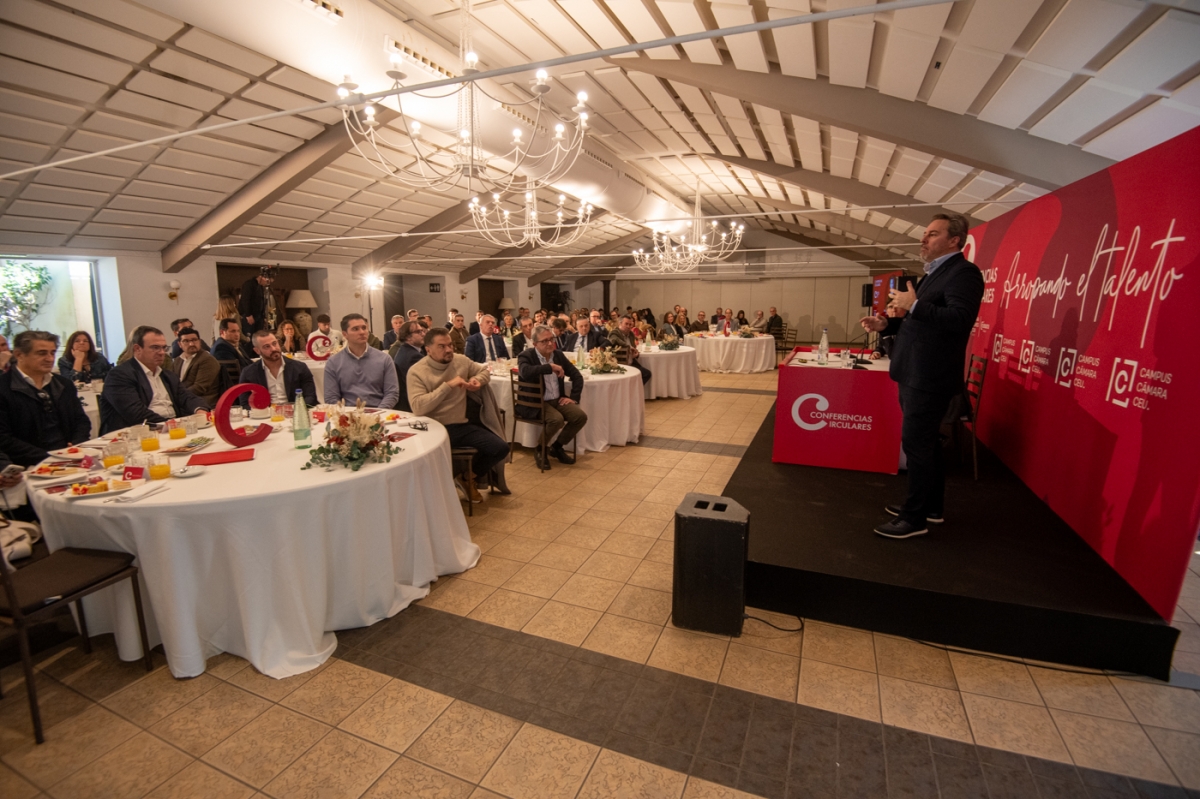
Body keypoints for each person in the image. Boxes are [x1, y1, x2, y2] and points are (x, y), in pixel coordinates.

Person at [859, 213, 984, 540]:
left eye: (931, 234)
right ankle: (931, 508)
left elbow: (958, 319)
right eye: (925, 234)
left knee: (917, 444)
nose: (923, 240)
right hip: (916, 371)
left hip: (929, 376)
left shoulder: (964, 273)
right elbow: (924, 322)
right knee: (925, 444)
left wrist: (913, 306)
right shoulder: (936, 273)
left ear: (954, 239)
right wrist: (888, 324)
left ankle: (913, 519)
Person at [407, 328, 509, 501]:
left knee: (500, 448)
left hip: (460, 425)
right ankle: (432, 496)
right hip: (432, 428)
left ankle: (467, 478)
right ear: (428, 349)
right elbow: (418, 407)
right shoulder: (417, 371)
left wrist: (478, 381)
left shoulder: (460, 360)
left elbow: (483, 371)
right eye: (442, 346)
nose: (448, 350)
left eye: (450, 345)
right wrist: (448, 386)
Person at [0, 331, 92, 465]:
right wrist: (49, 457)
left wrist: (76, 445)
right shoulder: (4, 388)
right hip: (27, 465)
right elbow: (3, 438)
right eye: (42, 353)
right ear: (19, 355)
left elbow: (81, 420)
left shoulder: (63, 385)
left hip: (70, 459)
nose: (50, 359)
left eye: (52, 353)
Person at [99, 325, 208, 433]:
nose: (162, 352)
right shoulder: (119, 375)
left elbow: (186, 396)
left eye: (164, 348)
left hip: (171, 428)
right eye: (155, 347)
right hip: (137, 434)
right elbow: (135, 413)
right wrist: (172, 425)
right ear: (137, 349)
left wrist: (200, 409)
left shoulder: (167, 375)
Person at [518, 324, 587, 469]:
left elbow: (577, 376)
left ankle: (556, 447)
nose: (550, 343)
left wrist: (573, 398)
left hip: (556, 399)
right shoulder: (527, 356)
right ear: (535, 343)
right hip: (535, 402)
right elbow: (525, 372)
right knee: (556, 420)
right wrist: (550, 367)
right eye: (545, 341)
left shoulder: (558, 355)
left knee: (580, 416)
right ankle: (540, 449)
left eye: (551, 339)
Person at [324, 314, 399, 408]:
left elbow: (392, 393)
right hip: (347, 415)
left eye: (364, 328)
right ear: (344, 334)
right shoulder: (334, 362)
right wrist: (346, 416)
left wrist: (377, 414)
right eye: (355, 329)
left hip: (380, 413)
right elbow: (331, 397)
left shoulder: (384, 359)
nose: (362, 332)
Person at [240, 329, 318, 407]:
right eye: (267, 346)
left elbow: (311, 397)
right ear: (257, 351)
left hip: (294, 412)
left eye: (274, 343)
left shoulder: (299, 368)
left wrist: (297, 409)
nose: (274, 349)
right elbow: (244, 403)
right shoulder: (249, 372)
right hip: (265, 414)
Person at [173, 327, 222, 406]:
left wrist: (177, 397)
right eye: (186, 341)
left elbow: (200, 388)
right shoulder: (177, 361)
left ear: (199, 341)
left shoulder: (207, 359)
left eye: (194, 340)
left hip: (203, 403)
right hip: (184, 402)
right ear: (179, 344)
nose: (191, 344)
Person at [392, 321, 426, 412]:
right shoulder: (413, 356)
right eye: (418, 332)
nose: (423, 334)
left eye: (422, 331)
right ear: (408, 337)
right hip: (410, 405)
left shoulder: (406, 350)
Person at [608, 315, 652, 385]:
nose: (628, 326)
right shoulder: (615, 332)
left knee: (647, 374)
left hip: (631, 362)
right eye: (626, 324)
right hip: (620, 364)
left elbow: (634, 348)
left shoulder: (631, 334)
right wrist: (628, 346)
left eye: (630, 324)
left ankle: (634, 391)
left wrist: (636, 354)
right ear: (620, 323)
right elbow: (614, 339)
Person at [239, 265, 277, 335]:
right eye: (267, 281)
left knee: (259, 335)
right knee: (250, 337)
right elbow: (245, 300)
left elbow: (261, 302)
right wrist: (248, 315)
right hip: (250, 316)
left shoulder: (260, 287)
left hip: (258, 316)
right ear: (262, 277)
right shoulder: (249, 284)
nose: (267, 283)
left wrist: (263, 317)